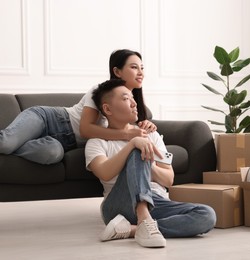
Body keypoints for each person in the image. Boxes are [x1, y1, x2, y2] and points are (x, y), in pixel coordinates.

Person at [85, 79, 216, 248]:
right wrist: (133, 144)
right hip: (118, 205)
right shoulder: (97, 142)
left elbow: (169, 179)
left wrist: (149, 166)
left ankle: (133, 229)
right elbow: (104, 172)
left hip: (156, 201)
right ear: (107, 109)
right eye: (126, 99)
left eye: (133, 98)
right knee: (139, 148)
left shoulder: (152, 135)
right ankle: (144, 218)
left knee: (207, 215)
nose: (134, 103)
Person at [0, 49, 156, 164]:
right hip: (49, 119)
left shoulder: (133, 104)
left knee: (51, 154)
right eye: (134, 67)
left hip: (64, 143)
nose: (141, 72)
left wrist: (146, 124)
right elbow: (85, 129)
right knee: (5, 144)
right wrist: (126, 134)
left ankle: (18, 144)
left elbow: (131, 129)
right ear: (117, 71)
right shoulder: (100, 91)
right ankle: (13, 142)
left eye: (142, 68)